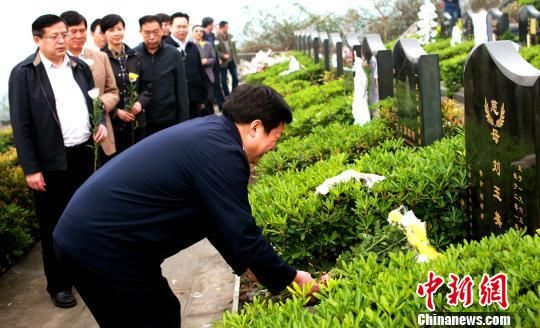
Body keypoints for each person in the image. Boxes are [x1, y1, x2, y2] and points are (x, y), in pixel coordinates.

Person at [54, 84, 319, 327]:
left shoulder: (213, 135)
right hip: (100, 243)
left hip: (94, 236)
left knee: (160, 310)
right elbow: (242, 233)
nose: (274, 147)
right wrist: (293, 278)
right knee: (153, 318)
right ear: (255, 127)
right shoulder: (224, 154)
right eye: (277, 136)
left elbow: (216, 222)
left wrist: (251, 269)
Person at [9, 14, 107, 308]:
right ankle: (59, 284)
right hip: (50, 162)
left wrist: (98, 122)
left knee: (87, 218)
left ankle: (87, 274)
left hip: (83, 155)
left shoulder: (79, 67)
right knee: (54, 225)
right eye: (56, 36)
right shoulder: (24, 73)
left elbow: (92, 102)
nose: (64, 40)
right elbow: (21, 124)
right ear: (37, 39)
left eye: (65, 34)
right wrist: (31, 168)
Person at [61, 10, 119, 159]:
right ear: (62, 33)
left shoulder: (101, 57)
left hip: (102, 134)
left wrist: (99, 104)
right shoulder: (57, 63)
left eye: (82, 31)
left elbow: (113, 91)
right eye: (73, 31)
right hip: (70, 140)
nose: (79, 36)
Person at [101, 14, 152, 155]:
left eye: (120, 28)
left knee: (140, 158)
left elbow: (147, 86)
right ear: (104, 33)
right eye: (111, 30)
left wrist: (140, 103)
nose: (117, 33)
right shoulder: (101, 58)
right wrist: (115, 111)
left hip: (137, 121)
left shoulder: (135, 56)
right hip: (114, 125)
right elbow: (99, 93)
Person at [135, 15, 189, 135]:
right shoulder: (134, 55)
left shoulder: (173, 53)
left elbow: (181, 89)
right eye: (147, 33)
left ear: (162, 30)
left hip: (169, 119)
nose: (152, 37)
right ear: (140, 32)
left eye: (155, 32)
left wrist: (184, 121)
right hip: (144, 121)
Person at [164, 12, 208, 119]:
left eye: (184, 26)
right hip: (174, 103)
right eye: (178, 27)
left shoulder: (192, 47)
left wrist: (202, 98)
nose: (182, 30)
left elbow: (200, 72)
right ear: (170, 27)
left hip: (194, 99)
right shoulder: (165, 47)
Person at [192, 24, 217, 116]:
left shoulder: (208, 44)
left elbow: (214, 58)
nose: (199, 33)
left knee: (209, 98)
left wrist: (206, 61)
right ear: (192, 33)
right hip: (196, 77)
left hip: (208, 75)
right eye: (196, 31)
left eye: (201, 31)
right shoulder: (190, 45)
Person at [202, 16, 225, 110]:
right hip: (206, 65)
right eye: (212, 24)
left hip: (214, 62)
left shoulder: (212, 35)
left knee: (217, 84)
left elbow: (215, 48)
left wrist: (218, 57)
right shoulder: (201, 33)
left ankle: (221, 104)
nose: (214, 25)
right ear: (208, 24)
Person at [215, 20, 238, 96]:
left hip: (232, 61)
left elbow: (234, 49)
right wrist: (222, 55)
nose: (228, 28)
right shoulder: (216, 38)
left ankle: (234, 94)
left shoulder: (231, 36)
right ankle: (227, 96)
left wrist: (235, 59)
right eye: (227, 27)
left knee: (235, 78)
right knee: (224, 80)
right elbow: (215, 50)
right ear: (222, 27)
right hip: (223, 62)